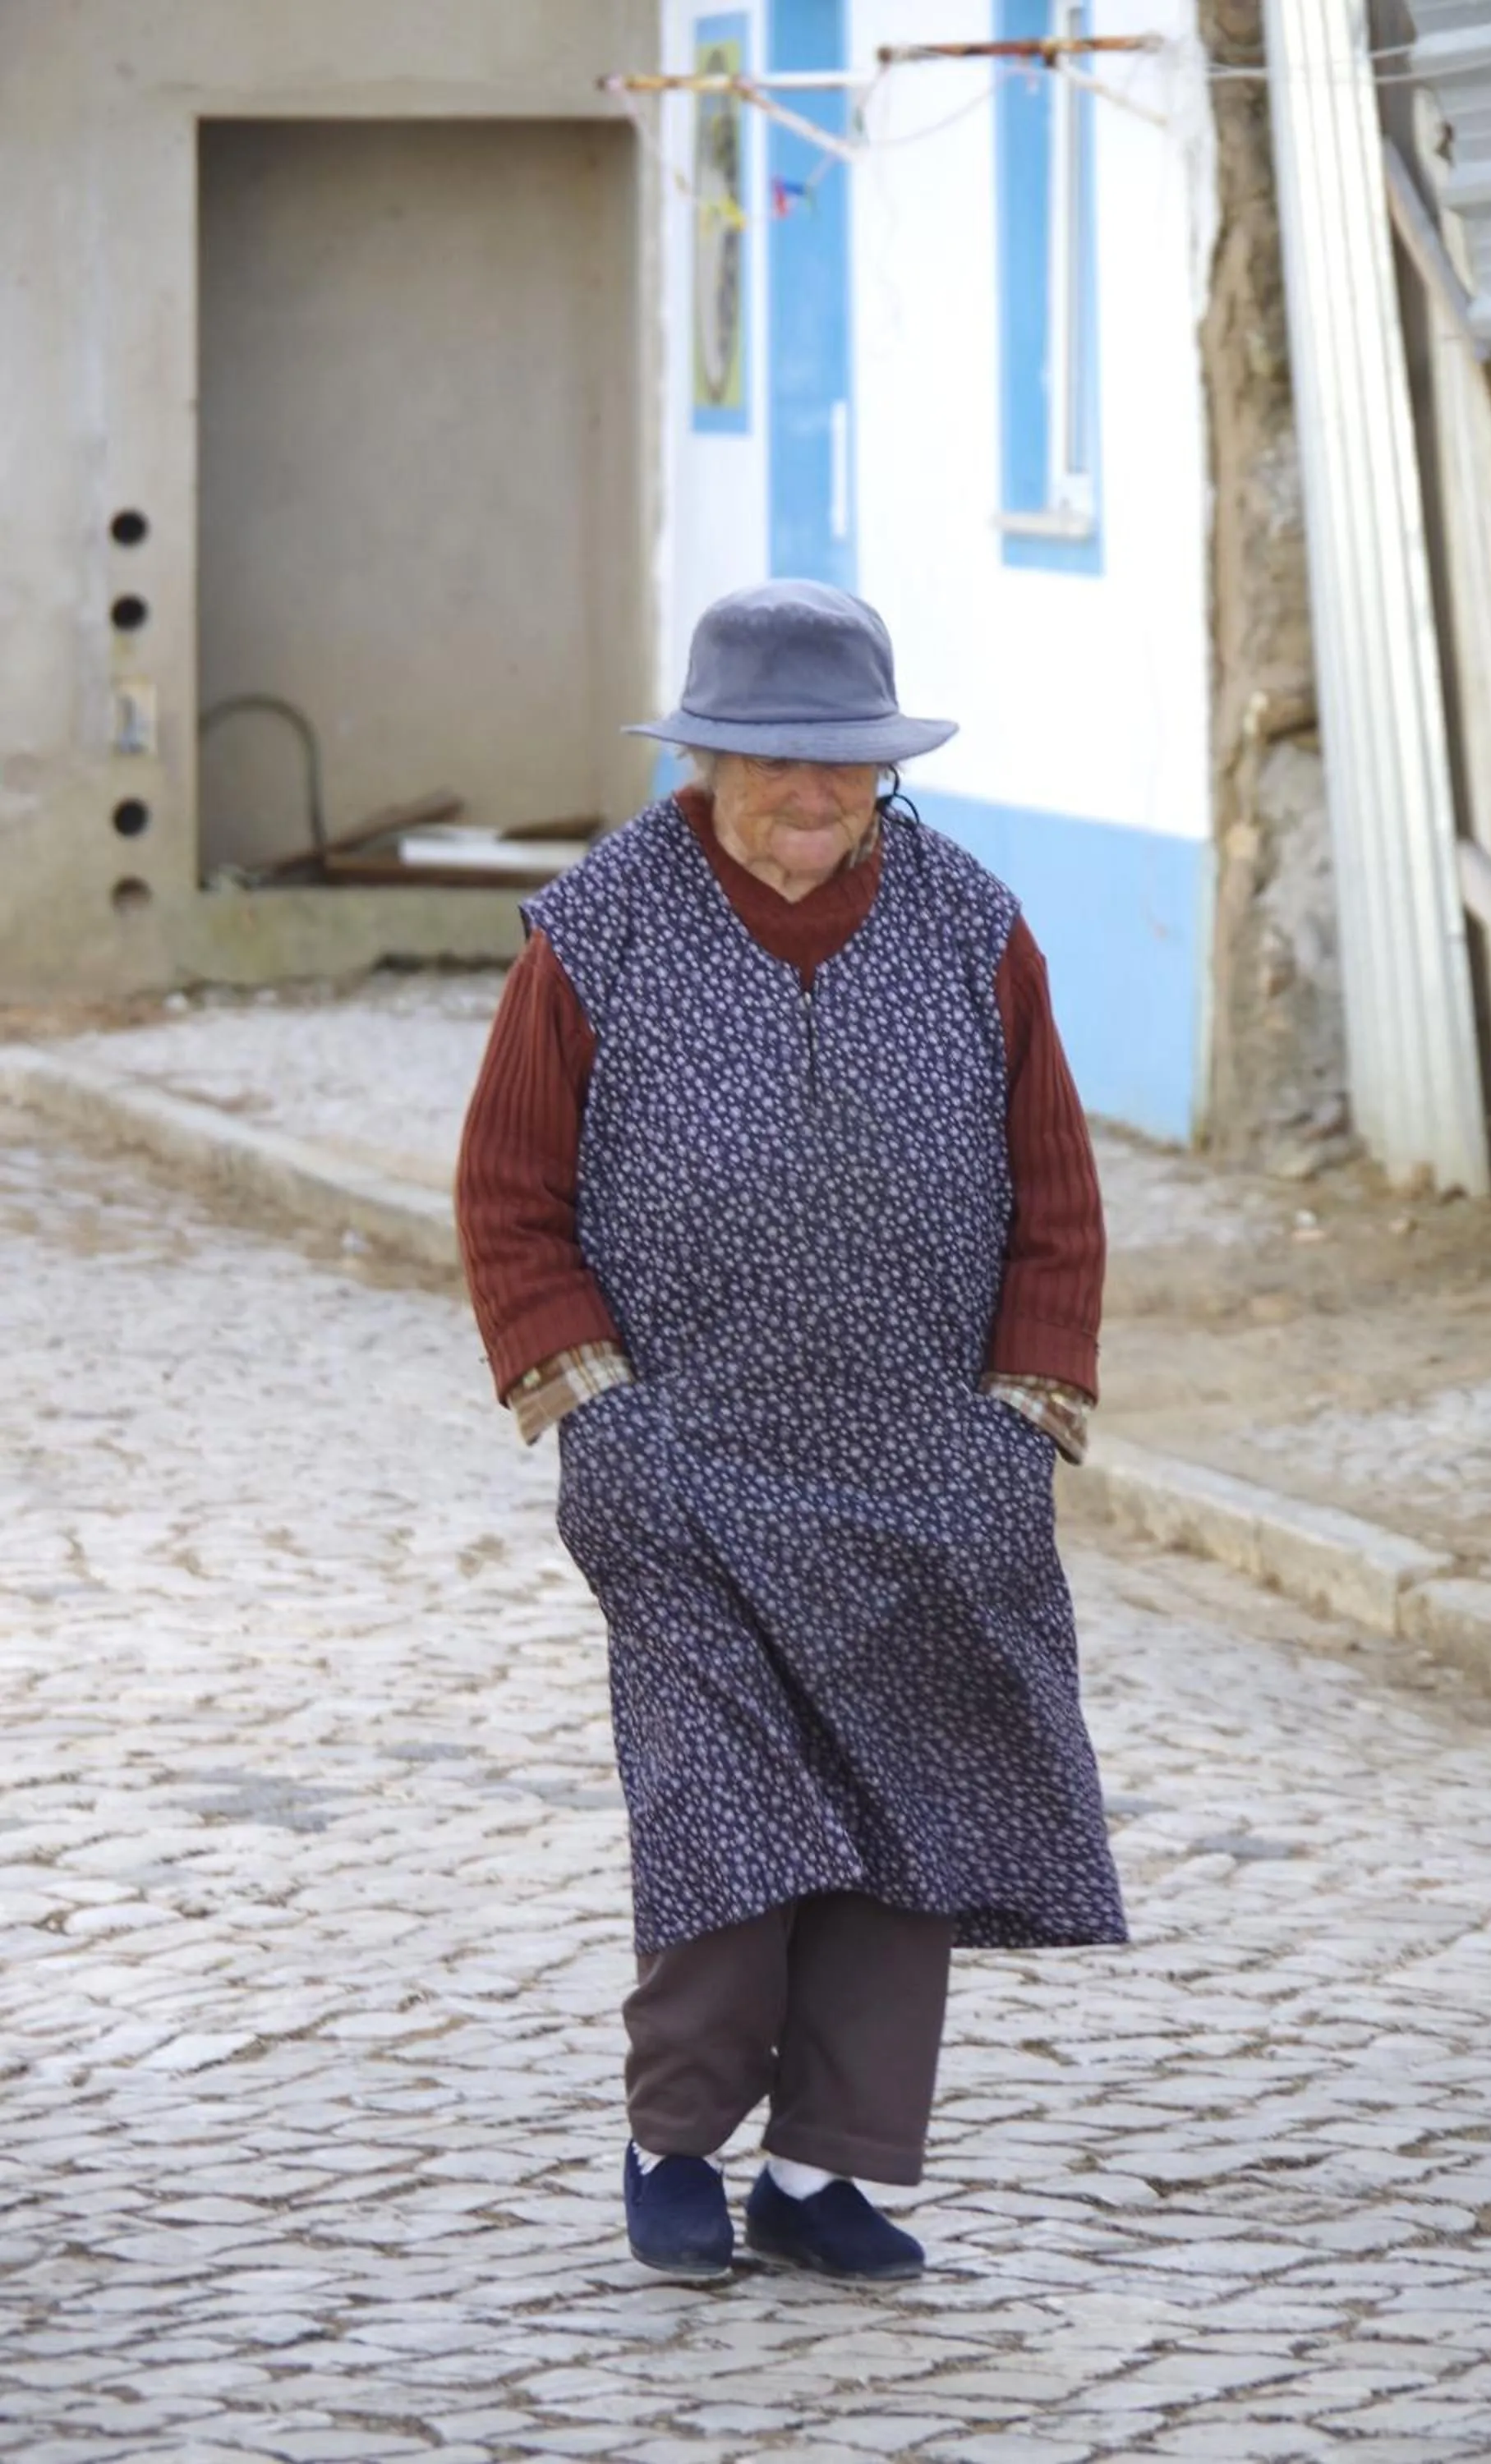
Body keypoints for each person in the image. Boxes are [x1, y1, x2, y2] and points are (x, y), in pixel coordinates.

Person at [456, 578, 1126, 2285]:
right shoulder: (596, 929)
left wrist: (1017, 1423)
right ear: (702, 761)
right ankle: (672, 2141)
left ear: (882, 774)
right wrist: (592, 1414)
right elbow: (508, 1196)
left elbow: (1054, 1194)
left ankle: (827, 2177)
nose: (808, 797)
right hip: (685, 1470)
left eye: (841, 768)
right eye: (770, 763)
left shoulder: (974, 927)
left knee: (906, 1820)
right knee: (723, 1814)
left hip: (924, 1475)